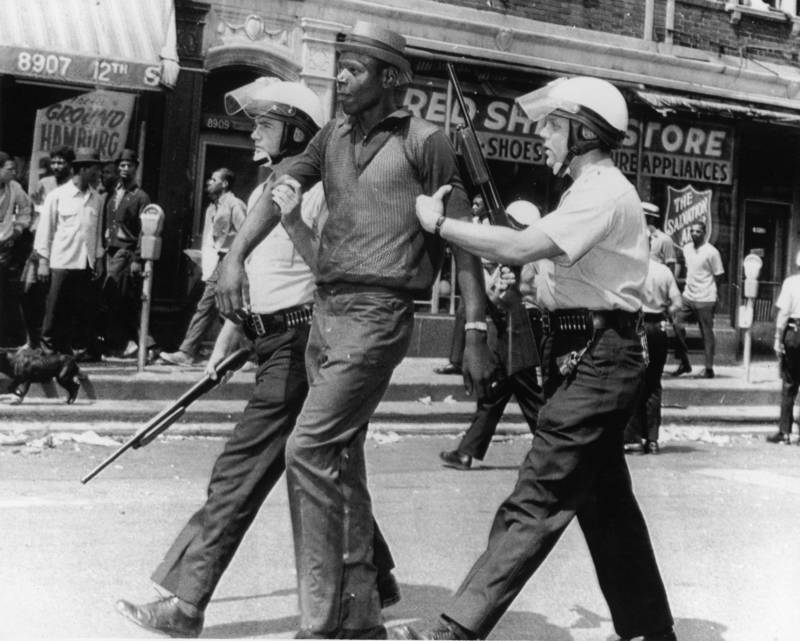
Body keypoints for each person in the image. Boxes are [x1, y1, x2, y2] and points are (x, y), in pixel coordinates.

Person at [216, 21, 492, 639]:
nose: (340, 77)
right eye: (340, 65)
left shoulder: (428, 143)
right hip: (325, 315)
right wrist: (234, 257)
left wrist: (475, 327)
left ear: (391, 78)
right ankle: (360, 620)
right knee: (341, 462)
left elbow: (465, 243)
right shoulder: (331, 138)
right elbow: (281, 187)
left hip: (379, 315)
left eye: (355, 68)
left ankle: (320, 624)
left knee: (308, 451)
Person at [115, 79, 400, 638]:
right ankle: (375, 582)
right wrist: (229, 346)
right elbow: (253, 282)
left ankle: (186, 601)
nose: (252, 131)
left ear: (294, 129)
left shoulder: (315, 193)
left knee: (238, 472)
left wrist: (293, 224)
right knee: (329, 473)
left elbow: (336, 275)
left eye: (264, 122)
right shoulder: (269, 187)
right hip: (272, 342)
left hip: (301, 347)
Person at [403, 75, 676, 641]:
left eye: (553, 126)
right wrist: (521, 290)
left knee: (537, 496)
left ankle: (455, 629)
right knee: (608, 510)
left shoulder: (604, 189)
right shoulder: (585, 192)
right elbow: (563, 282)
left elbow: (525, 245)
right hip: (589, 354)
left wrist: (441, 224)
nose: (543, 137)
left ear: (582, 131)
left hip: (601, 359)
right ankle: (651, 631)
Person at [439, 200, 545, 471]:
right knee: (496, 393)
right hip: (514, 325)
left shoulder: (526, 259)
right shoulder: (523, 256)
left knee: (527, 393)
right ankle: (467, 451)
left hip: (522, 324)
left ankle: (552, 450)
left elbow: (499, 296)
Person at [160, 168, 247, 366]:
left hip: (229, 262)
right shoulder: (211, 208)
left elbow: (246, 235)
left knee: (208, 306)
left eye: (213, 179)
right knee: (224, 309)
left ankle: (187, 351)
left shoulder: (235, 205)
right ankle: (248, 353)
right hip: (215, 262)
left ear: (224, 184)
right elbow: (210, 240)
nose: (208, 182)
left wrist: (238, 265)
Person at [34, 147, 105, 360]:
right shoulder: (58, 196)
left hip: (85, 263)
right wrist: (43, 262)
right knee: (54, 309)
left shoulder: (96, 199)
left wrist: (99, 260)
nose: (97, 174)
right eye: (94, 169)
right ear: (82, 170)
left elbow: (97, 233)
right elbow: (45, 231)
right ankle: (47, 350)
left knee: (78, 309)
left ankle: (70, 352)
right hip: (61, 261)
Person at [624, 246, 682, 455]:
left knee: (634, 381)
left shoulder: (633, 268)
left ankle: (633, 439)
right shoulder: (664, 272)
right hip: (658, 326)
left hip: (638, 325)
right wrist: (665, 312)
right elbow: (677, 302)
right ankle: (652, 439)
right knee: (654, 383)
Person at [22, 146, 74, 349]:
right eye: (54, 162)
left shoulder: (72, 186)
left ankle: (51, 343)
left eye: (61, 162)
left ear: (70, 165)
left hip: (61, 249)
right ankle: (31, 339)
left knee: (53, 297)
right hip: (40, 247)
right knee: (30, 292)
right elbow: (34, 212)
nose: (56, 166)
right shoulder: (45, 183)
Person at [101, 149, 151, 357]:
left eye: (129, 165)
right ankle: (135, 344)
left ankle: (132, 343)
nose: (124, 169)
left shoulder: (140, 197)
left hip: (126, 251)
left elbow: (145, 230)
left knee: (112, 293)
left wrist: (138, 258)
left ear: (136, 168)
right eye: (121, 165)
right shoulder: (112, 193)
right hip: (109, 251)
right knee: (118, 299)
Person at [434, 195, 487, 376]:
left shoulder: (492, 224)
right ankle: (455, 361)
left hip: (491, 275)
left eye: (477, 204)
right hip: (475, 276)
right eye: (473, 203)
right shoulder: (469, 223)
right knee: (462, 312)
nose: (473, 207)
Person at [670, 220, 724, 379]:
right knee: (676, 323)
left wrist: (713, 294)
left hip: (705, 298)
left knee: (706, 332)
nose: (694, 234)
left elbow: (719, 275)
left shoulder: (712, 252)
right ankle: (684, 363)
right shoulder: (686, 248)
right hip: (688, 296)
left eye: (698, 231)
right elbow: (682, 264)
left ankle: (709, 368)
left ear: (704, 233)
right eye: (692, 231)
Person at [767, 250, 800, 445]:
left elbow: (784, 313)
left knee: (789, 383)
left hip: (795, 332)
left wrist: (778, 337)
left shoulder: (791, 283)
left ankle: (785, 431)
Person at [0, 152, 33, 347]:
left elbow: (26, 209)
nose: (14, 172)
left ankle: (9, 342)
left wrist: (18, 230)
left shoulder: (14, 188)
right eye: (9, 169)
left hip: (4, 249)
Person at [643, 202, 678, 277]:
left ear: (651, 219)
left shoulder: (664, 239)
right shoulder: (637, 237)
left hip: (657, 281)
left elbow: (671, 266)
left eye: (644, 217)